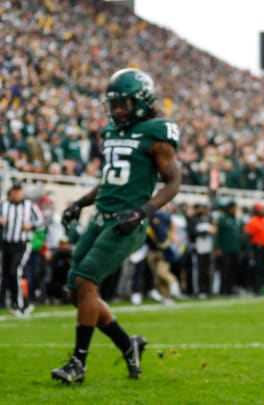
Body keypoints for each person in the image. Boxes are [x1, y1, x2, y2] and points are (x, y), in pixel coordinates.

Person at [51, 68, 181, 384]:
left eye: (124, 104)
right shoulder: (113, 131)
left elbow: (173, 181)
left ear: (141, 102)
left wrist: (144, 211)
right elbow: (109, 180)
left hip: (126, 221)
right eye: (115, 104)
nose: (118, 110)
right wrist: (80, 203)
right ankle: (128, 345)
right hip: (101, 217)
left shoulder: (156, 132)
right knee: (75, 292)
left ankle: (78, 363)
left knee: (85, 281)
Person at [0, 182, 45, 316]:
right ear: (11, 192)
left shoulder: (29, 206)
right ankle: (9, 302)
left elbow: (41, 223)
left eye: (19, 191)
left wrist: (30, 226)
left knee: (15, 271)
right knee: (6, 274)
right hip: (6, 243)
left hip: (22, 244)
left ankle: (20, 304)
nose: (17, 194)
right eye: (15, 191)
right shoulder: (4, 205)